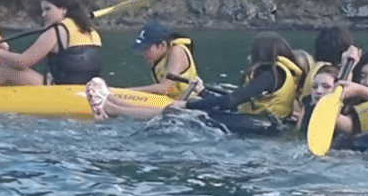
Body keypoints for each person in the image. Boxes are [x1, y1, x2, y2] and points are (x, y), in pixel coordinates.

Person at [88, 31, 303, 129]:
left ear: (262, 54)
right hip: (260, 123)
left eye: (252, 53)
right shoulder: (279, 73)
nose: (249, 57)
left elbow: (231, 101)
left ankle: (112, 109)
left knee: (175, 112)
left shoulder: (269, 74)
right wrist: (203, 93)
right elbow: (237, 102)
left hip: (258, 127)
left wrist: (189, 103)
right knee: (181, 110)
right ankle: (115, 103)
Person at [0, 0, 102, 86]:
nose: (44, 14)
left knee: (7, 69)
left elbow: (22, 62)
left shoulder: (56, 31)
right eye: (43, 10)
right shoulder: (90, 30)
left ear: (64, 10)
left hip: (60, 88)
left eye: (48, 9)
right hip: (87, 86)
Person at [128, 19, 198, 98]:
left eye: (146, 49)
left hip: (191, 103)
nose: (143, 54)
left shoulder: (177, 51)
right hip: (172, 102)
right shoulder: (159, 60)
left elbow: (164, 88)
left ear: (162, 45)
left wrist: (126, 91)